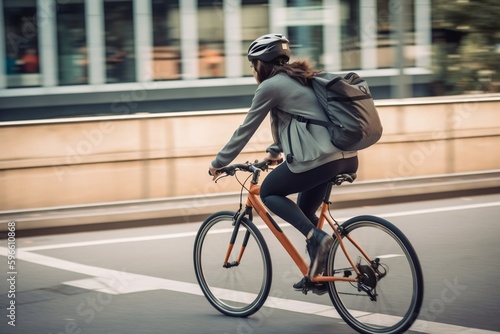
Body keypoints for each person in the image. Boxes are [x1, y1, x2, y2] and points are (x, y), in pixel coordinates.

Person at [208, 34, 358, 294]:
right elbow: (295, 120)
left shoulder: (270, 86)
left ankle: (319, 239)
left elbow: (246, 129)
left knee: (269, 192)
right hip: (345, 156)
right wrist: (274, 154)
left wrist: (219, 162)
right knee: (306, 214)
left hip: (319, 159)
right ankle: (317, 276)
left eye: (252, 64)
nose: (253, 70)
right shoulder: (301, 78)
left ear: (261, 64)